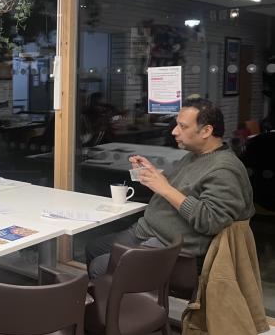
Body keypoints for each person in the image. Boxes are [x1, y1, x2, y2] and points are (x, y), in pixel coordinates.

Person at [86, 98, 255, 278]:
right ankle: (114, 293)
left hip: (172, 247)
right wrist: (154, 177)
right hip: (148, 230)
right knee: (93, 247)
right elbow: (180, 192)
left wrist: (165, 188)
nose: (174, 131)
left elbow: (211, 221)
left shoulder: (224, 169)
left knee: (99, 267)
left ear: (206, 131)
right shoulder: (194, 156)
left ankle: (129, 295)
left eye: (183, 126)